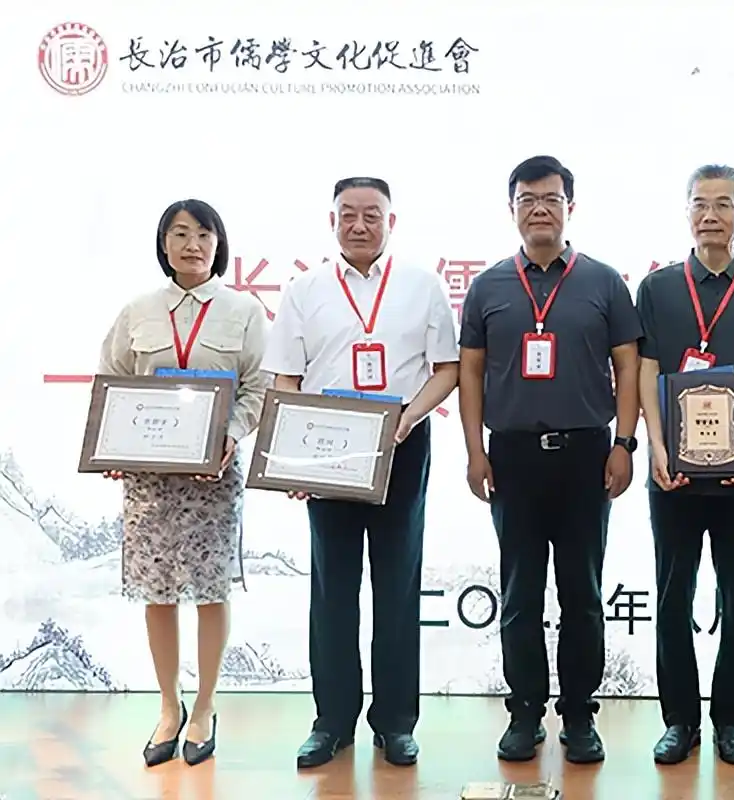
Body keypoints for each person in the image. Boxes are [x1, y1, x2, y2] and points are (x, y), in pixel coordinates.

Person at [262, 177, 460, 769]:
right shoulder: (305, 290)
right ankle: (332, 721)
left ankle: (395, 723)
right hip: (327, 447)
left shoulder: (423, 286)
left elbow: (447, 369)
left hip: (402, 442)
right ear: (332, 221)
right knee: (333, 587)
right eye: (348, 214)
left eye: (372, 215)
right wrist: (291, 455)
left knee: (398, 586)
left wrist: (407, 417)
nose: (359, 225)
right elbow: (287, 377)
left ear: (390, 222)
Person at [458, 155, 642, 764]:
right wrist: (475, 452)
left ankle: (580, 714)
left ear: (570, 207)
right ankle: (524, 712)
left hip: (586, 454)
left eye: (551, 198)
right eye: (527, 199)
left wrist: (624, 443)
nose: (540, 209)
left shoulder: (604, 282)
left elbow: (628, 368)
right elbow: (471, 373)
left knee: (582, 592)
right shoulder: (488, 286)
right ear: (512, 209)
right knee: (520, 593)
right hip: (512, 457)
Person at [97, 199, 268, 767]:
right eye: (179, 234)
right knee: (158, 590)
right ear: (163, 244)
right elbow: (111, 380)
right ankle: (169, 708)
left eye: (203, 234)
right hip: (150, 478)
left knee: (211, 588)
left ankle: (205, 707)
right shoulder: (139, 310)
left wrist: (230, 436)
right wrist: (113, 446)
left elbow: (259, 384)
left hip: (213, 472)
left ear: (219, 244)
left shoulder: (244, 311)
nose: (192, 245)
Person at [634, 165, 734, 766]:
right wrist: (655, 445)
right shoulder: (658, 288)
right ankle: (679, 721)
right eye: (700, 203)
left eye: (723, 204)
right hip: (672, 473)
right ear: (687, 212)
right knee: (673, 597)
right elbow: (647, 368)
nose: (711, 215)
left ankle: (731, 721)